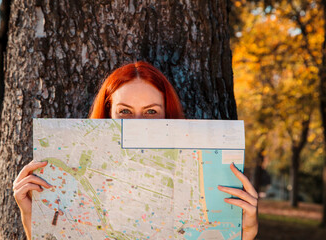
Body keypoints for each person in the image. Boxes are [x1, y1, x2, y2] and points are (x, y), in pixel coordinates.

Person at [13, 61, 258, 240]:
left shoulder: (190, 182)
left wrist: (245, 232)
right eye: (125, 112)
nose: (138, 122)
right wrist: (31, 216)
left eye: (151, 111)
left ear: (167, 114)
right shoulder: (78, 184)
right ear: (107, 114)